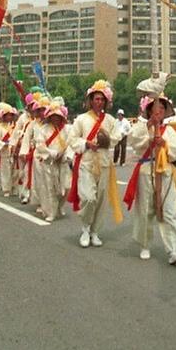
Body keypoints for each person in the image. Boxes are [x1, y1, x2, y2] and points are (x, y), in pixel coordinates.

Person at [125, 91, 176, 265]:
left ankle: (173, 248)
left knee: (169, 210)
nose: (159, 111)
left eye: (162, 108)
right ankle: (145, 244)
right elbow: (134, 142)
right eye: (155, 108)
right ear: (149, 110)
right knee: (145, 210)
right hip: (146, 170)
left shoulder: (170, 130)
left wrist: (164, 145)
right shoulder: (141, 127)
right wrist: (149, 131)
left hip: (165, 171)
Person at [67, 80, 122, 248]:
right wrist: (87, 144)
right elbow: (72, 139)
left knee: (100, 201)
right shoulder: (81, 119)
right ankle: (85, 229)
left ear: (106, 102)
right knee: (89, 198)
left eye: (102, 99)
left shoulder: (111, 120)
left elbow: (117, 136)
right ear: (90, 100)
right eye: (96, 99)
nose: (99, 102)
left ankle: (95, 232)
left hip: (105, 164)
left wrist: (107, 141)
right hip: (87, 163)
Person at [33, 101, 71, 222]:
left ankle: (59, 206)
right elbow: (40, 146)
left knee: (66, 186)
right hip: (49, 162)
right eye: (53, 116)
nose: (55, 118)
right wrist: (53, 154)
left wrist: (65, 156)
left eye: (58, 116)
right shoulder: (43, 130)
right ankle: (51, 211)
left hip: (63, 162)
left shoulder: (67, 129)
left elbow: (71, 144)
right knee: (50, 187)